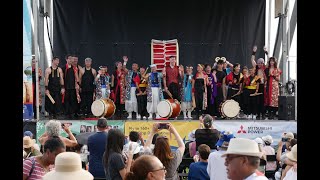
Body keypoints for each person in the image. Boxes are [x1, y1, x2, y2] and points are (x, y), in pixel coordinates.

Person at [251, 46, 268, 120]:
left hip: (263, 86)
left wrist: (266, 52)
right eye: (259, 63)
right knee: (257, 100)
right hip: (257, 86)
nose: (260, 64)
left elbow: (269, 60)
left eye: (261, 63)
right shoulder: (256, 67)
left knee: (263, 100)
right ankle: (258, 114)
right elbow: (252, 59)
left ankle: (263, 114)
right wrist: (254, 52)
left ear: (263, 63)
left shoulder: (265, 68)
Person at [62, 54, 80, 119]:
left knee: (73, 100)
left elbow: (76, 77)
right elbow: (61, 78)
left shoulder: (74, 68)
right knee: (66, 101)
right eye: (69, 58)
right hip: (66, 87)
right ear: (66, 59)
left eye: (71, 59)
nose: (71, 60)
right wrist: (62, 87)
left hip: (73, 87)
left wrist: (77, 84)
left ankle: (73, 113)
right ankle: (67, 113)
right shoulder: (63, 68)